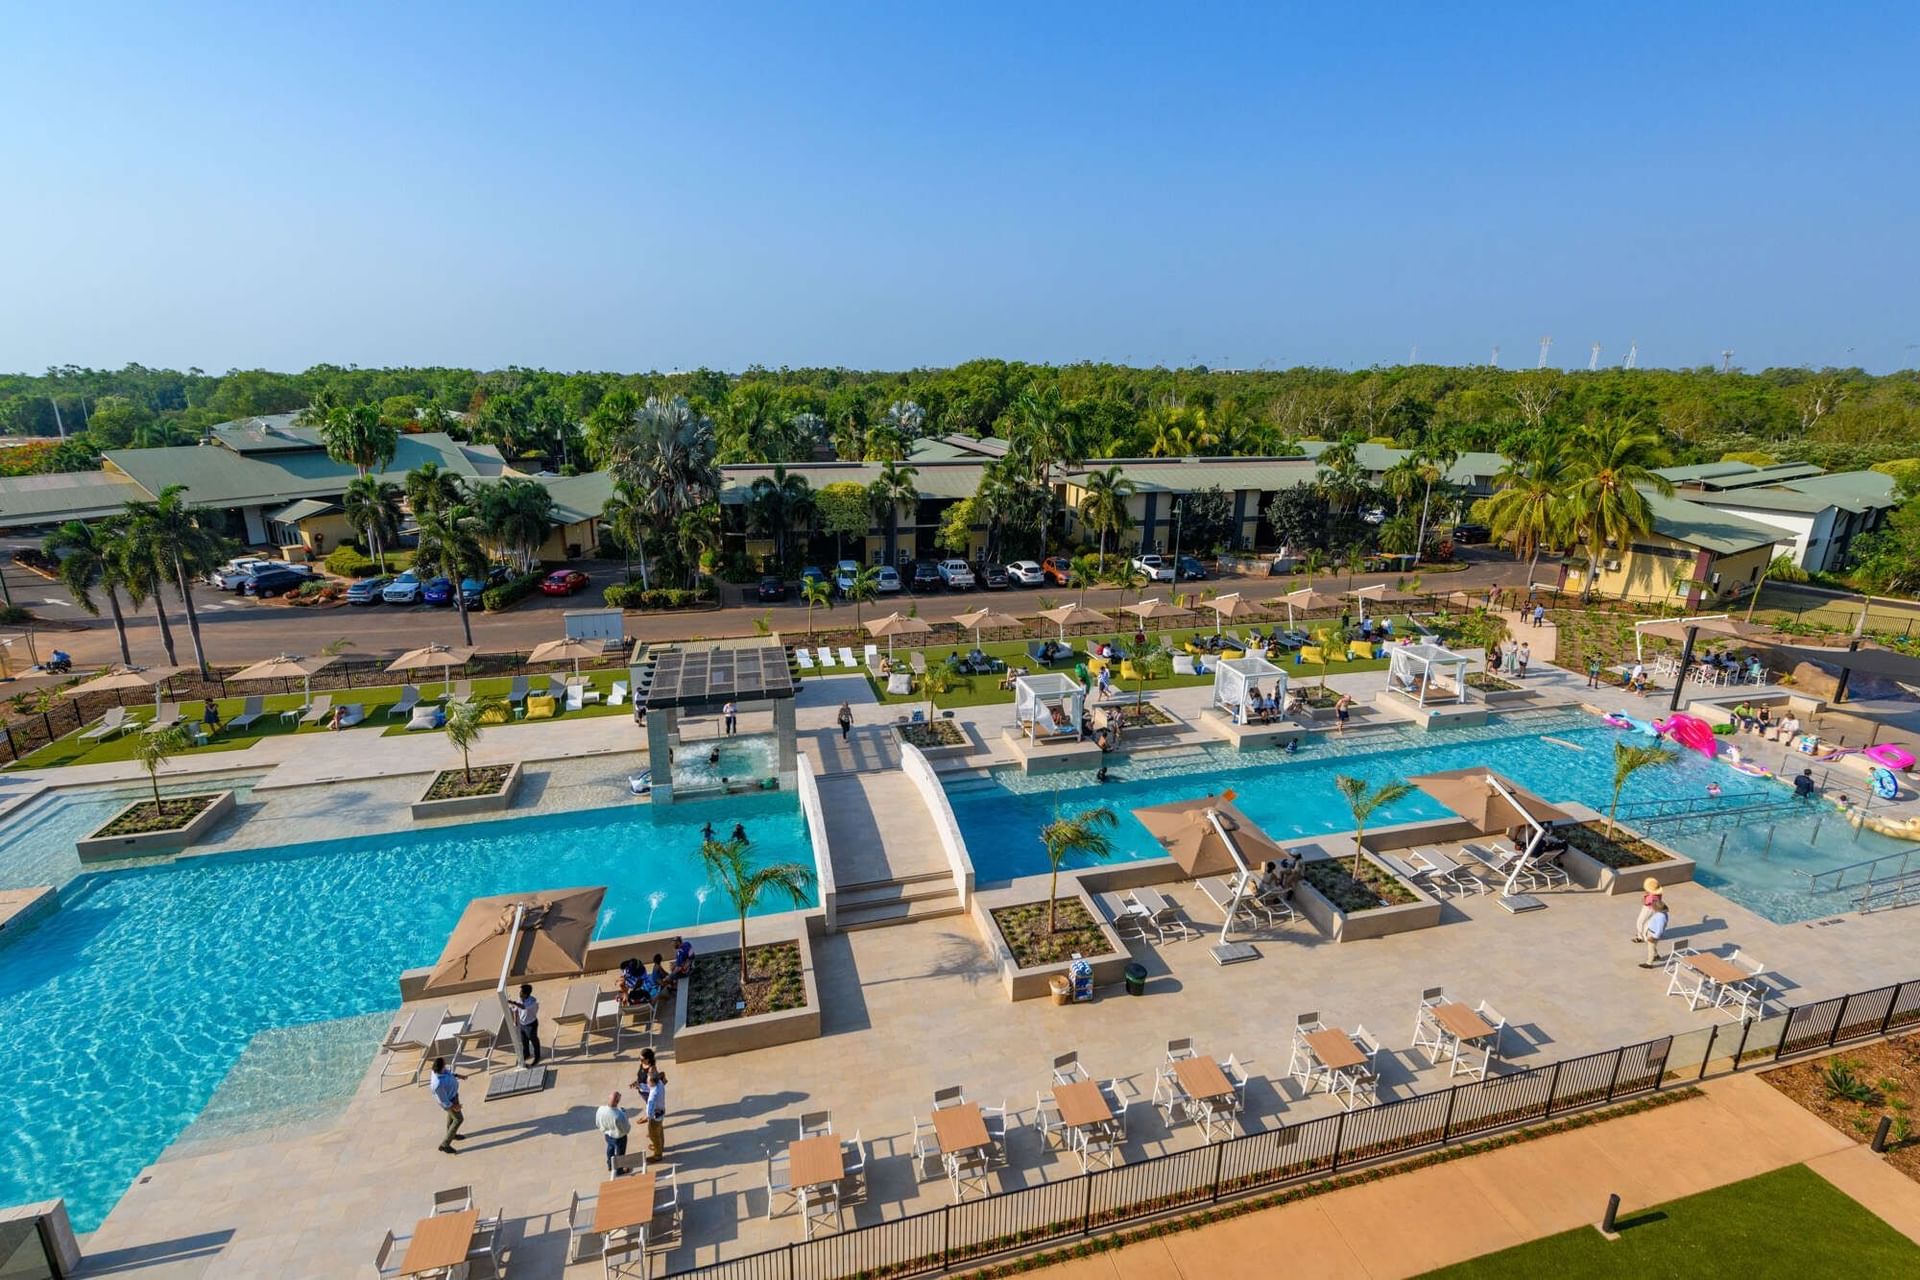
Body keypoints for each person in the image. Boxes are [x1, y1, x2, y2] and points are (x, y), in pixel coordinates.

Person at [430, 1058, 463, 1153]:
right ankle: (445, 1144)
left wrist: (458, 1076)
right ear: (440, 1068)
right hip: (450, 1101)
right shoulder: (437, 1084)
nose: (445, 1066)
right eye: (444, 1065)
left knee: (452, 1117)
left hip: (453, 1096)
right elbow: (442, 1099)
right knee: (458, 1119)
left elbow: (448, 1073)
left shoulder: (441, 1071)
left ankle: (453, 1134)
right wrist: (453, 1106)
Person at [596, 1091, 631, 1174]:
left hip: (608, 1135)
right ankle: (619, 1170)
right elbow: (626, 1128)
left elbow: (597, 1123)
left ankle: (610, 1165)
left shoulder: (600, 1110)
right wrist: (624, 1114)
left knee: (610, 1148)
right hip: (619, 1137)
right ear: (617, 1102)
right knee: (620, 1153)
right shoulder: (619, 1115)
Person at [507, 983, 542, 1066]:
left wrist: (512, 1002)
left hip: (531, 1024)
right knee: (524, 1041)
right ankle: (527, 1054)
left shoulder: (532, 1001)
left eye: (521, 992)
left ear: (526, 994)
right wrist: (515, 1021)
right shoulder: (519, 999)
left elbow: (523, 1007)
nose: (520, 993)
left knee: (534, 1040)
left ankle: (537, 1056)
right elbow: (516, 1009)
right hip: (522, 1024)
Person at [643, 1065, 669, 1161]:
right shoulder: (660, 1084)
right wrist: (639, 1086)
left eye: (648, 1081)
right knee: (660, 1130)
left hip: (655, 1117)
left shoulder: (653, 1096)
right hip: (661, 1112)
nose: (646, 1082)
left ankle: (658, 1154)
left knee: (654, 1135)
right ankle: (660, 1147)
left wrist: (648, 1117)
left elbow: (650, 1111)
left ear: (652, 1082)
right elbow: (649, 1088)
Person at [1640, 902, 1670, 968]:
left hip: (1653, 934)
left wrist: (1654, 937)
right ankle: (1656, 956)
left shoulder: (1661, 917)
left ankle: (1649, 963)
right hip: (1651, 932)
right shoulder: (1662, 914)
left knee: (1651, 948)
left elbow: (1660, 929)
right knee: (1652, 946)